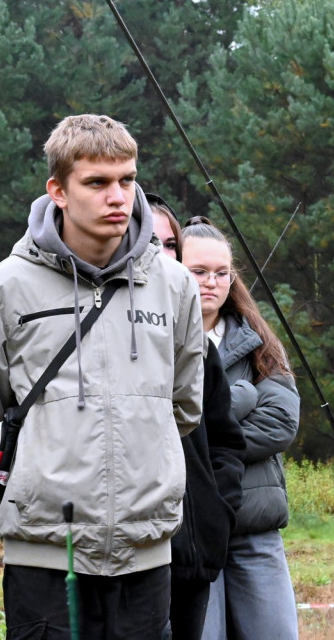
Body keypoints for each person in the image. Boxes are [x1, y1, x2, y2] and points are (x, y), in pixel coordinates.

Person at [0, 115, 205, 639]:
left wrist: (142, 469)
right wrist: (33, 485)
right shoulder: (4, 287)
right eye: (96, 182)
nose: (117, 196)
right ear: (58, 192)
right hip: (47, 552)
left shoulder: (176, 285)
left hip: (144, 549)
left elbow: (183, 406)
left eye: (127, 180)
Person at [180, 217, 301, 640]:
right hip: (191, 528)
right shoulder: (158, 341)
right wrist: (242, 401)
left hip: (256, 527)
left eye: (221, 273)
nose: (211, 282)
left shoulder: (261, 343)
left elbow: (281, 424)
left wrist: (207, 437)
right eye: (198, 271)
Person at [148, 193, 247, 638]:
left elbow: (226, 441)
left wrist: (215, 511)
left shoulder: (200, 346)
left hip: (192, 552)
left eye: (171, 245)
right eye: (149, 241)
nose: (161, 254)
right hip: (125, 555)